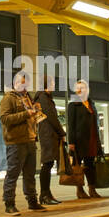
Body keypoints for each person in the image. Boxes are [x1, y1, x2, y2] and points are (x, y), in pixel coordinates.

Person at [0, 70, 44, 215]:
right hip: (16, 142)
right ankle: (9, 203)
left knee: (30, 174)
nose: (24, 88)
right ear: (15, 83)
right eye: (21, 84)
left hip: (30, 140)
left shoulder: (28, 99)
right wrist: (26, 114)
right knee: (13, 173)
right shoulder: (8, 98)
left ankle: (32, 201)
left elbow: (31, 119)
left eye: (27, 85)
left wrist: (37, 113)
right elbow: (5, 119)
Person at [66, 80, 104, 200]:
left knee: (90, 165)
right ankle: (79, 190)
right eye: (79, 88)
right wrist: (71, 142)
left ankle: (92, 189)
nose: (81, 90)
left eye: (83, 88)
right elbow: (70, 125)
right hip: (79, 141)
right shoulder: (73, 105)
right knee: (78, 166)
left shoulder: (91, 104)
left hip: (92, 139)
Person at [35, 75, 66, 206]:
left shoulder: (45, 97)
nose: (54, 84)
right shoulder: (43, 97)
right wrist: (62, 132)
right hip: (48, 134)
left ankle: (47, 193)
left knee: (48, 164)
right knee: (47, 164)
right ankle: (44, 194)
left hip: (49, 134)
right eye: (52, 82)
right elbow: (52, 117)